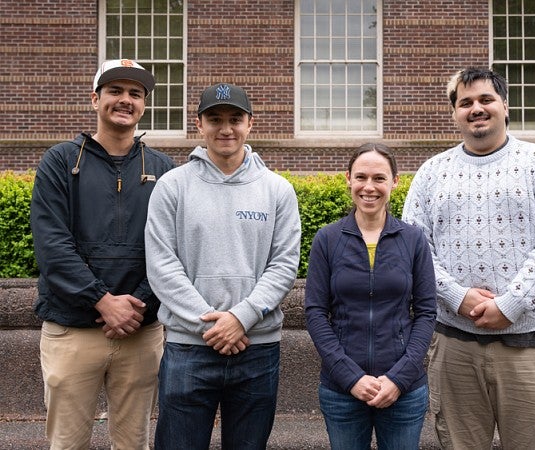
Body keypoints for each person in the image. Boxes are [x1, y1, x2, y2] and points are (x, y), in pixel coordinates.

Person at [401, 67, 535, 449]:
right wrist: (456, 296)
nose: (476, 108)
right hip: (454, 346)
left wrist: (511, 304)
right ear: (454, 114)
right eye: (465, 102)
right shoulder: (432, 173)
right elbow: (414, 248)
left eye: (486, 99)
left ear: (505, 106)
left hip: (528, 348)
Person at [145, 83, 301, 449]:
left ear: (250, 124)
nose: (225, 128)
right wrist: (213, 325)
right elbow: (161, 264)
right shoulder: (172, 187)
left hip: (257, 348)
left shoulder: (277, 190)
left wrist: (240, 318)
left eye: (235, 119)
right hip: (188, 347)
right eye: (215, 119)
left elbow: (283, 265)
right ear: (199, 124)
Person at [30, 58, 175, 449]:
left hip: (140, 332)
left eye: (135, 93)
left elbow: (173, 249)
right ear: (95, 99)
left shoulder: (164, 169)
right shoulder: (60, 161)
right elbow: (52, 245)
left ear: (144, 104)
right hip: (72, 330)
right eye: (115, 91)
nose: (125, 99)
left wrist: (137, 305)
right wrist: (101, 299)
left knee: (134, 443)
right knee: (67, 442)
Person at [305, 143, 437, 449]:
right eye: (361, 177)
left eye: (379, 178)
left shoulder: (413, 239)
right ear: (348, 179)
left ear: (394, 182)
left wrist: (399, 378)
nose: (369, 187)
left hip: (403, 392)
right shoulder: (328, 239)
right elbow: (315, 312)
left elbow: (427, 312)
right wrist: (350, 377)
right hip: (341, 391)